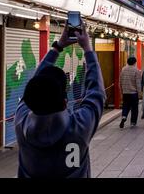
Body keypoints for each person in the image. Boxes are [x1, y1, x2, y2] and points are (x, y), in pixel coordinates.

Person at [15, 21, 105, 178]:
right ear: (65, 102)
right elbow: (97, 92)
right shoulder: (79, 127)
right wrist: (87, 49)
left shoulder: (20, 122)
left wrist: (57, 47)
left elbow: (35, 86)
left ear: (30, 99)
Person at [119, 56, 142, 128]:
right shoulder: (136, 70)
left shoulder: (123, 69)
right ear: (135, 62)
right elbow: (138, 83)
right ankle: (133, 122)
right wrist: (140, 93)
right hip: (133, 93)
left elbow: (120, 81)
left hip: (125, 92)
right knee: (134, 108)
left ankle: (124, 116)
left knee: (125, 106)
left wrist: (121, 92)